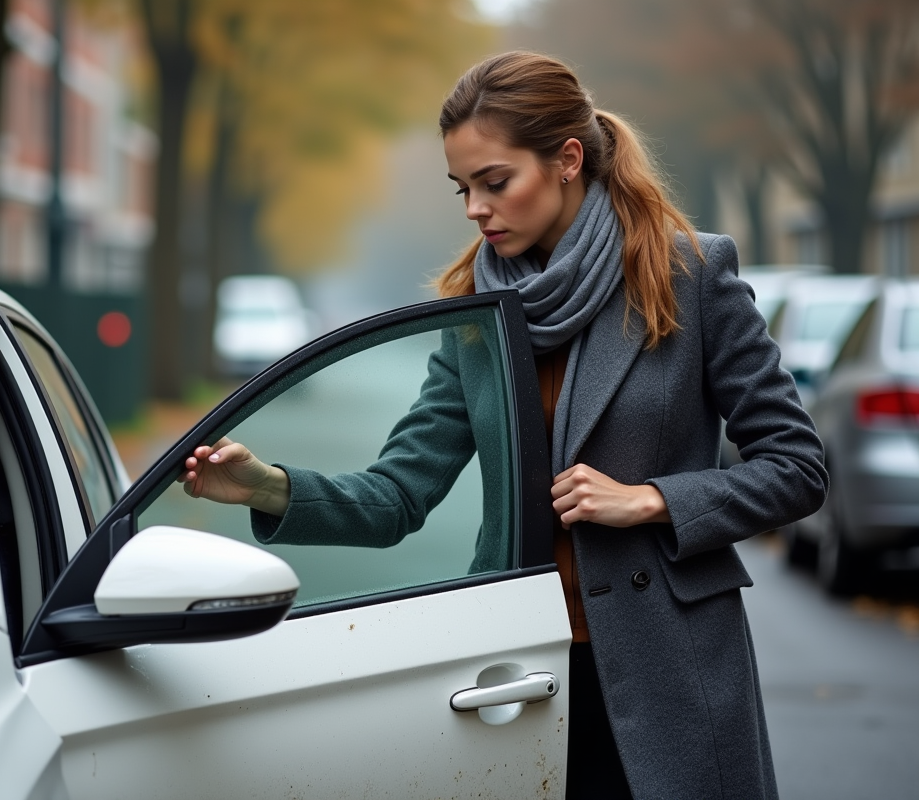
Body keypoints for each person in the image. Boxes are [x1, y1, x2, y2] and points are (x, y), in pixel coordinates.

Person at [179, 52, 827, 800]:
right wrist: (267, 487)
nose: (475, 210)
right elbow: (399, 494)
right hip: (519, 677)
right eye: (463, 188)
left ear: (566, 160)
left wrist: (652, 500)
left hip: (673, 673)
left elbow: (797, 467)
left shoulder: (689, 274)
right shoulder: (476, 314)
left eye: (495, 183)